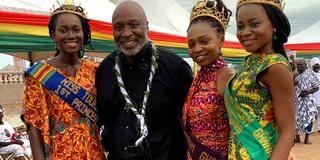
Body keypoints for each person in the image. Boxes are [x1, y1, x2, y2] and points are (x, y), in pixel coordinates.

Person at [95, 1, 193, 159]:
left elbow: (192, 126)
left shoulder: (176, 69)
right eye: (119, 27)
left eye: (134, 25)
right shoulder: (105, 70)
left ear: (147, 26)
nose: (126, 33)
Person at [22, 3, 105, 160]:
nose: (71, 35)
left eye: (76, 29)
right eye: (63, 30)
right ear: (54, 35)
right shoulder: (39, 75)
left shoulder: (96, 70)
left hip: (94, 154)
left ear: (84, 33)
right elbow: (33, 126)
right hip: (59, 155)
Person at [224, 0, 295, 159]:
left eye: (254, 24)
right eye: (240, 26)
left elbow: (287, 132)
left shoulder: (276, 67)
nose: (245, 32)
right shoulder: (247, 63)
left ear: (274, 25)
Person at [182, 0, 233, 159]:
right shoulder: (198, 79)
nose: (197, 49)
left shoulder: (228, 77)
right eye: (191, 44)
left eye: (204, 41)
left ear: (221, 41)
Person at [294, 59, 319, 144]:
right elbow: (289, 85)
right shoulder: (295, 75)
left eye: (301, 65)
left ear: (305, 65)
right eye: (298, 65)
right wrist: (294, 83)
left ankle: (306, 138)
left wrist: (307, 93)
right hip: (297, 101)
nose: (299, 67)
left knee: (309, 118)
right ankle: (297, 137)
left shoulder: (311, 74)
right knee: (297, 119)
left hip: (308, 101)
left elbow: (317, 87)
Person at [310, 57, 320, 133]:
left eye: (318, 64)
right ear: (312, 65)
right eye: (315, 65)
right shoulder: (309, 74)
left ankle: (319, 128)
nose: (317, 66)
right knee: (311, 114)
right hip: (312, 97)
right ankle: (310, 129)